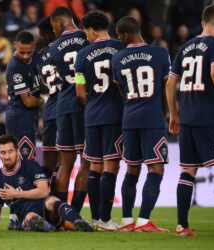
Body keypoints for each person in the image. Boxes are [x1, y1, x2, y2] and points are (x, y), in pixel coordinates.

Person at [166, 4, 214, 237]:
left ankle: (182, 226)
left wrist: (173, 114)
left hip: (188, 117)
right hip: (209, 117)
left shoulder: (185, 47)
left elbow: (170, 83)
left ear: (203, 22)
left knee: (187, 169)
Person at [112, 16, 170, 232]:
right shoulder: (160, 53)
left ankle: (127, 221)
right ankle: (144, 221)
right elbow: (166, 88)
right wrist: (167, 114)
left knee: (132, 169)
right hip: (152, 118)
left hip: (129, 118)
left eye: (119, 36)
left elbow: (122, 92)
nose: (120, 40)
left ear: (126, 34)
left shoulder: (118, 58)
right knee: (155, 168)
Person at [74, 11, 124, 231]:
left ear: (92, 29)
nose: (87, 36)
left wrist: (92, 103)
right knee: (111, 165)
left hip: (91, 115)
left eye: (86, 32)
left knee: (95, 165)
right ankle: (105, 218)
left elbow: (80, 92)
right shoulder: (121, 48)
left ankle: (96, 218)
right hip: (114, 114)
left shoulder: (82, 55)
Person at [0, 134, 93, 232]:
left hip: (43, 205)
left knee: (52, 201)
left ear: (17, 152)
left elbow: (44, 191)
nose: (7, 156)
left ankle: (79, 222)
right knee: (31, 218)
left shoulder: (30, 166)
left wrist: (16, 194)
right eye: (3, 152)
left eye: (10, 151)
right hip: (24, 214)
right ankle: (56, 227)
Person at [49, 6, 89, 213]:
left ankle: (61, 214)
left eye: (52, 26)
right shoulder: (87, 37)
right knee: (86, 162)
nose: (53, 30)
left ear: (58, 22)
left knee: (64, 164)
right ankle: (74, 214)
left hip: (63, 106)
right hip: (84, 106)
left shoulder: (54, 47)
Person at [5, 30, 42, 161]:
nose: (26, 56)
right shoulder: (15, 67)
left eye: (29, 52)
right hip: (19, 116)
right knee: (25, 161)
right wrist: (45, 100)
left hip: (30, 115)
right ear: (15, 45)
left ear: (34, 46)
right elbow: (27, 101)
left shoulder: (37, 57)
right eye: (22, 52)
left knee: (28, 159)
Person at [36, 16, 60, 194]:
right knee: (66, 162)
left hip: (50, 108)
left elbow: (41, 85)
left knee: (48, 160)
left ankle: (46, 199)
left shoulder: (39, 56)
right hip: (68, 106)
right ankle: (60, 205)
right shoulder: (65, 49)